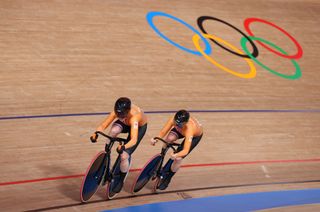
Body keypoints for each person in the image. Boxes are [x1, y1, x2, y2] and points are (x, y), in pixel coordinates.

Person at [90, 97, 147, 193]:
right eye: (118, 114)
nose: (119, 115)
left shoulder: (134, 117)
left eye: (122, 114)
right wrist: (96, 133)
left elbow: (133, 139)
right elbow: (103, 125)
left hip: (138, 127)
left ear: (128, 111)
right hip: (125, 123)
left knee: (124, 156)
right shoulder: (117, 113)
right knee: (113, 131)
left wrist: (124, 147)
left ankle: (121, 179)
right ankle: (107, 152)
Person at [151, 109, 203, 190]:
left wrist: (176, 155)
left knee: (178, 158)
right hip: (182, 131)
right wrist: (156, 139)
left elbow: (185, 150)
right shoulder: (173, 120)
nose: (177, 126)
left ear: (185, 123)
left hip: (194, 136)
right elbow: (163, 132)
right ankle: (162, 157)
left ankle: (168, 178)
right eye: (176, 124)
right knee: (168, 139)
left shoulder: (190, 129)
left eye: (180, 125)